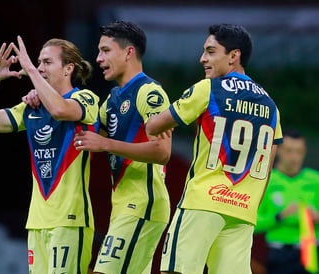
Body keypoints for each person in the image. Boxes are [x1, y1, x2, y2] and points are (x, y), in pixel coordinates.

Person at [145, 23, 283, 274]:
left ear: (234, 56)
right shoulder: (271, 107)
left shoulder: (208, 89)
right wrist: (250, 205)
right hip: (244, 210)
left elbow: (155, 126)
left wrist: (153, 123)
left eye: (210, 51)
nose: (202, 59)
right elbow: (268, 167)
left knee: (175, 271)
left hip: (202, 203)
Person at [0, 36, 100, 273]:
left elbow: (60, 110)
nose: (39, 67)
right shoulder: (31, 108)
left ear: (68, 68)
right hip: (37, 221)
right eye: (38, 62)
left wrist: (30, 70)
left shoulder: (85, 99)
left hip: (70, 220)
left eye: (47, 62)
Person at [73, 20, 172, 273]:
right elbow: (87, 131)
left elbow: (162, 152)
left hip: (142, 205)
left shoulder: (150, 91)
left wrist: (105, 144)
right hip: (123, 205)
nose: (98, 58)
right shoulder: (113, 99)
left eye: (105, 50)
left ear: (128, 52)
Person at [255, 128, 319, 274]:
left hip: (310, 253)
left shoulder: (315, 180)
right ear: (278, 150)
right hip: (278, 253)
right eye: (289, 151)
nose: (294, 157)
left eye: (299, 152)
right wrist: (279, 216)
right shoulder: (267, 181)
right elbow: (253, 223)